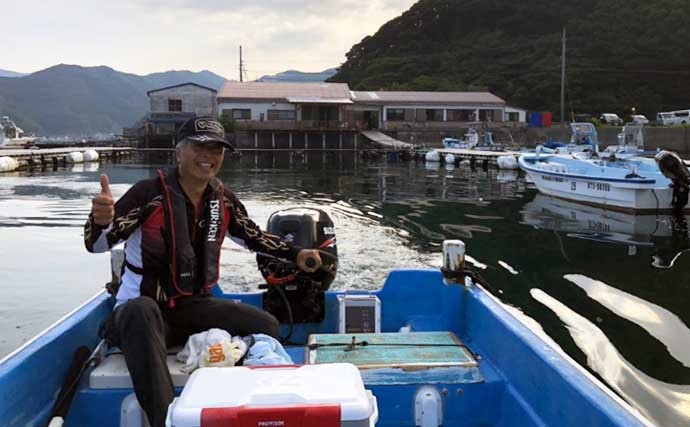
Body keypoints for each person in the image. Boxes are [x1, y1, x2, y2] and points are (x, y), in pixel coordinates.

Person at [84, 116, 321, 427]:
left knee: (266, 324)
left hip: (191, 310)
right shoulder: (147, 194)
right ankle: (165, 419)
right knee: (141, 311)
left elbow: (254, 237)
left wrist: (297, 253)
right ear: (179, 152)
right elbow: (98, 244)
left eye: (216, 149)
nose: (208, 155)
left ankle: (257, 402)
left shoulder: (223, 200)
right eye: (199, 146)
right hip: (139, 313)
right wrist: (101, 221)